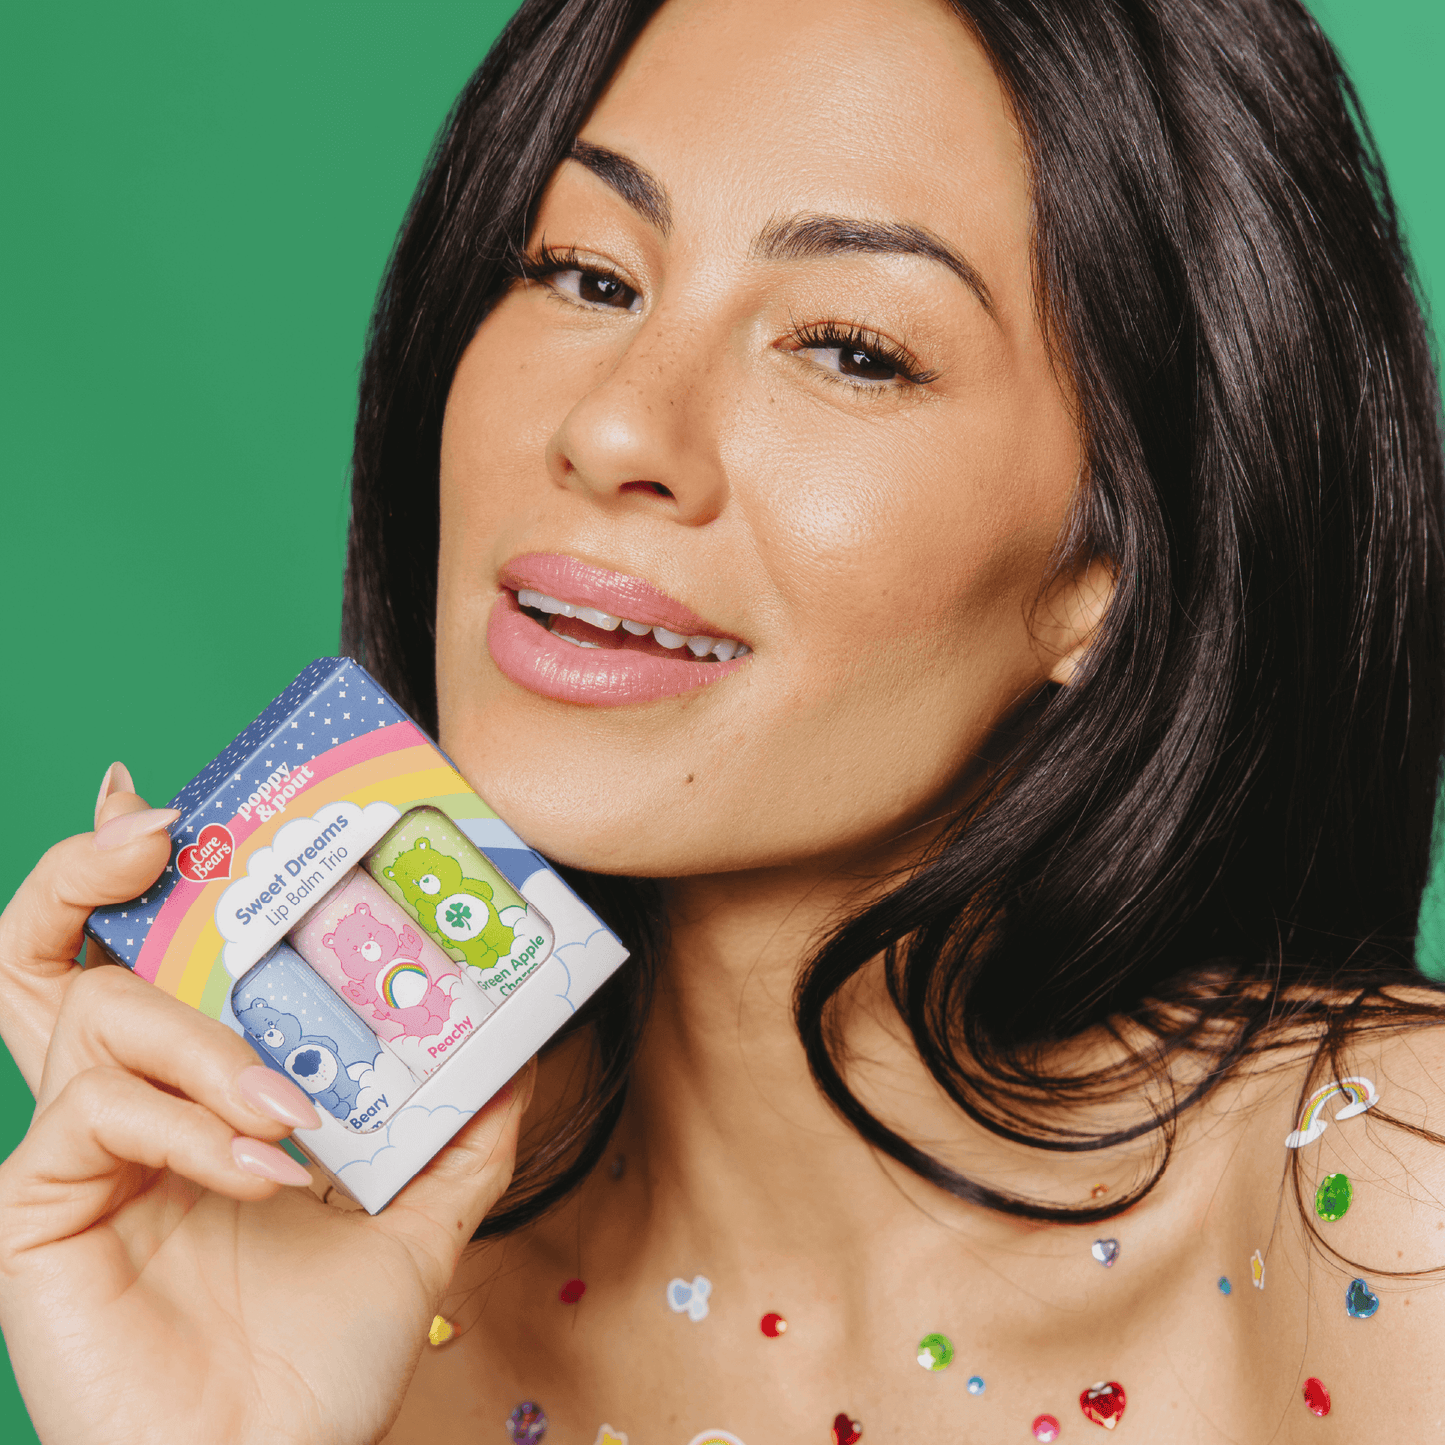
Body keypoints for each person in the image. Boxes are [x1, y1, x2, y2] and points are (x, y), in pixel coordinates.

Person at [2, 0, 1443, 1438]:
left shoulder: (1393, 1206)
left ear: (1109, 570)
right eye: (584, 274)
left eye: (852, 349)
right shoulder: (333, 1269)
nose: (615, 429)